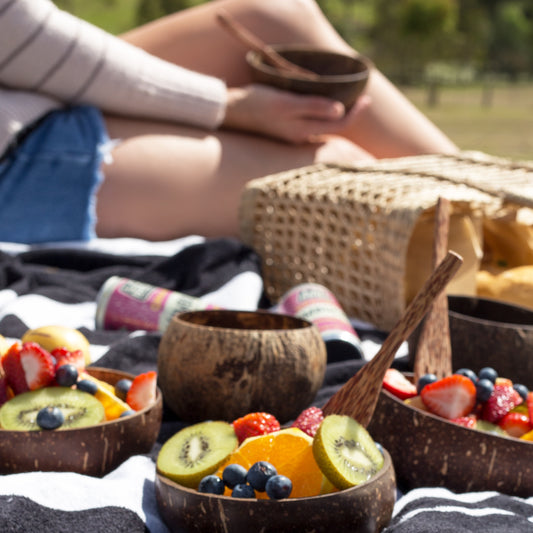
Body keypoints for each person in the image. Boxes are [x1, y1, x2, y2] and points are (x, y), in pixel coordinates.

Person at [0, 0, 458, 244]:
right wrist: (229, 108)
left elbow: (17, 32)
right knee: (334, 168)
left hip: (21, 78)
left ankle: (511, 212)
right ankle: (496, 251)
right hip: (13, 164)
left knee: (278, 14)